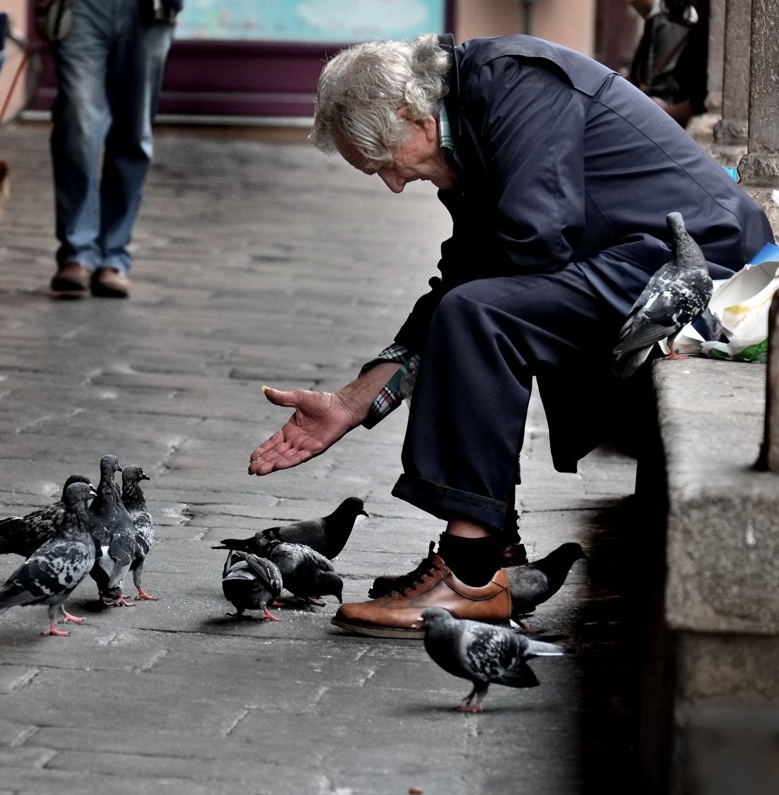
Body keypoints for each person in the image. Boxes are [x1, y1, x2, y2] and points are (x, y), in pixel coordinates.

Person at [247, 33, 773, 639]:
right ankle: (493, 555)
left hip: (696, 260)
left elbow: (532, 239)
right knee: (470, 306)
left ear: (411, 116)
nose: (393, 184)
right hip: (633, 255)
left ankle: (469, 571)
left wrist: (426, 341)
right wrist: (352, 400)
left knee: (478, 315)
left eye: (383, 162)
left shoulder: (518, 85)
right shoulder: (462, 122)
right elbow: (466, 268)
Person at [42, 0, 182, 299]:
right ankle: (77, 252)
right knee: (78, 123)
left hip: (149, 10)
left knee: (133, 132)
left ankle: (112, 256)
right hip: (82, 7)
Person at [625, 0, 708, 129]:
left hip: (669, 126)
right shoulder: (665, 19)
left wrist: (666, 109)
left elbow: (702, 99)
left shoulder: (668, 21)